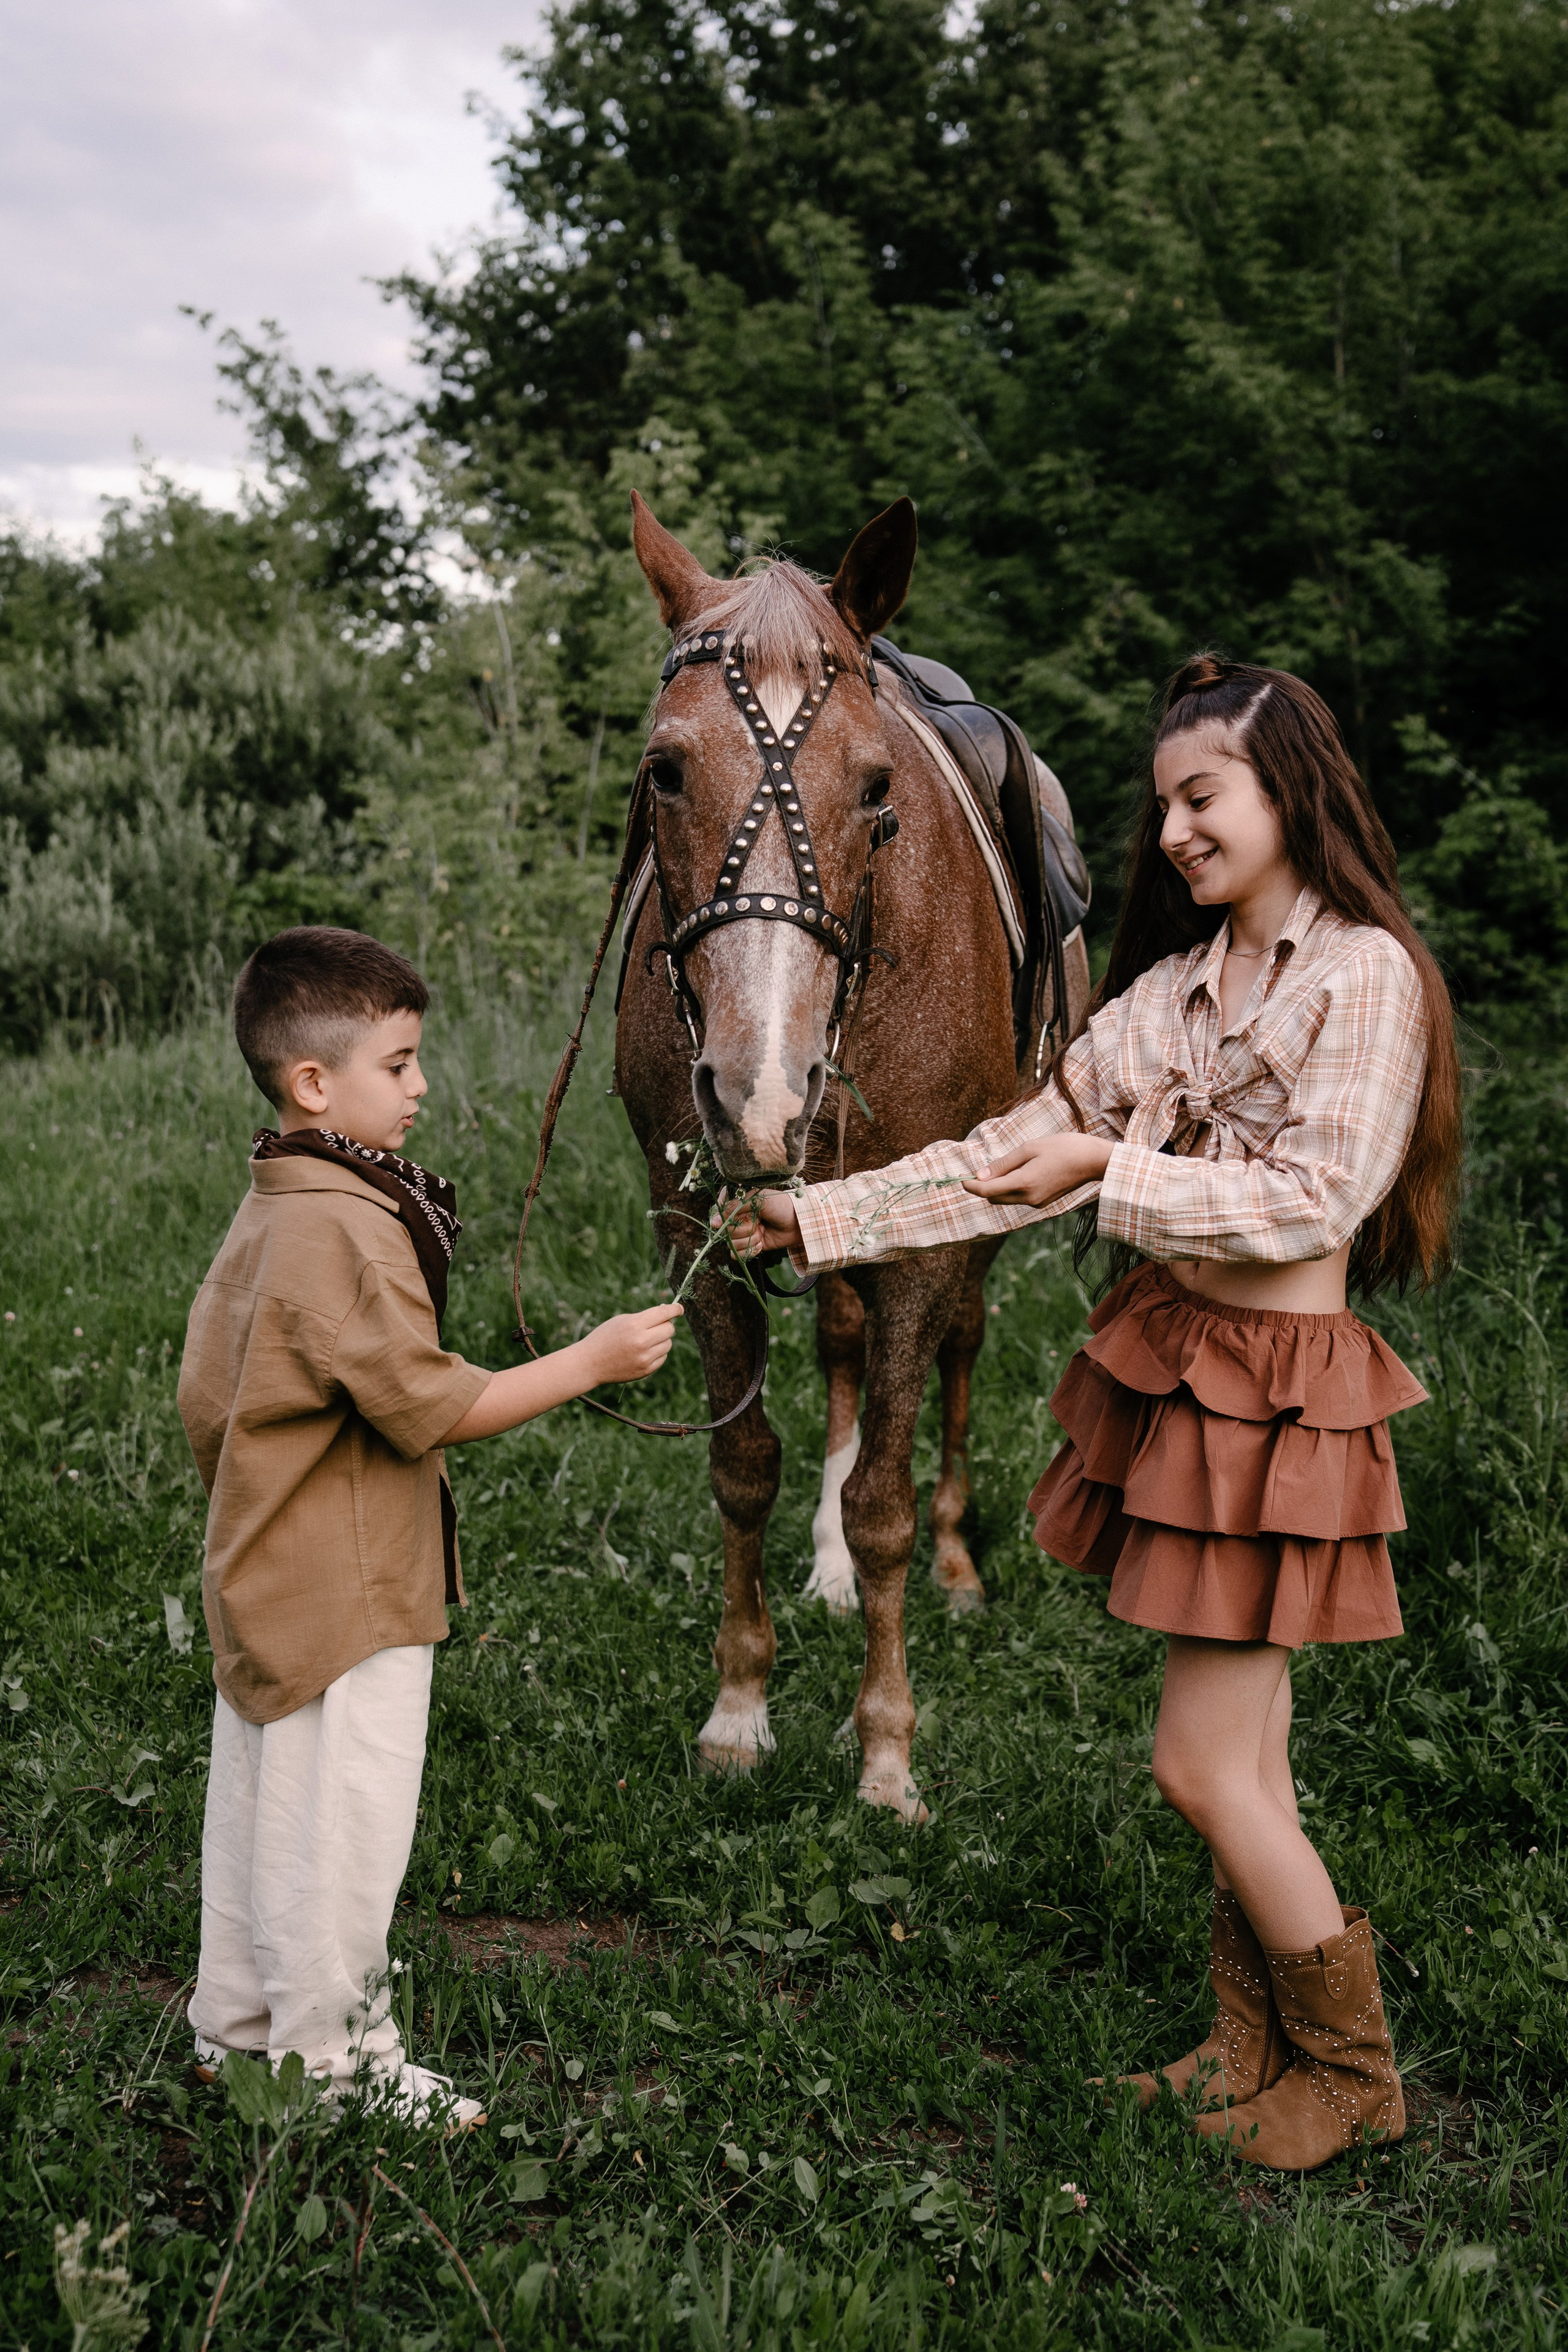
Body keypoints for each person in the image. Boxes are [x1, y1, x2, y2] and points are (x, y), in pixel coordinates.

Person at [732, 655, 1461, 2173]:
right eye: (1163, 809)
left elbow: (1313, 1195)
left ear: (1290, 794)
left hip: (1281, 1395)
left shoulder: (1362, 978)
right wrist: (818, 1222)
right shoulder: (1179, 992)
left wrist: (1109, 1176)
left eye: (1205, 797)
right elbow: (1015, 1143)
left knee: (1198, 1766)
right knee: (1244, 1767)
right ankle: (1243, 2047)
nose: (1178, 831)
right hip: (1194, 1370)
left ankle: (1350, 2077)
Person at [179, 926, 680, 2130]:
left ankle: (234, 2028)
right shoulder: (347, 1228)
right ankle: (335, 2068)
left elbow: (205, 1393)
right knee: (341, 1835)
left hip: (266, 1570)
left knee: (262, 1810)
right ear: (315, 1084)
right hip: (349, 1590)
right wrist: (591, 1358)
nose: (420, 1088)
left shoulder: (274, 1206)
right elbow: (434, 1407)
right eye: (397, 1064)